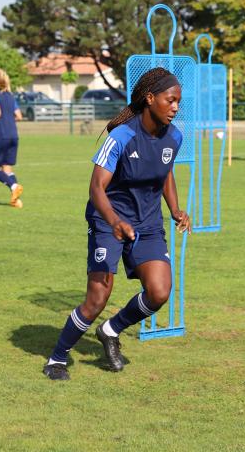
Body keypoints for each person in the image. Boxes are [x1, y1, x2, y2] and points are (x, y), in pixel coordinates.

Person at [42, 67, 192, 381]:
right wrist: (115, 222)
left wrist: (176, 209)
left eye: (179, 101)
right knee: (98, 297)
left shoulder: (174, 137)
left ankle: (111, 330)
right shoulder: (122, 136)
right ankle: (57, 358)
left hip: (147, 222)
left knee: (160, 291)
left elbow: (165, 173)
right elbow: (96, 188)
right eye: (171, 100)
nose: (176, 107)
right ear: (150, 99)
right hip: (107, 218)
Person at [0, 68, 24, 207]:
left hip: (0, 136)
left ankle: (14, 187)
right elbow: (19, 116)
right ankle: (15, 200)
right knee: (7, 169)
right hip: (13, 136)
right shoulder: (10, 95)